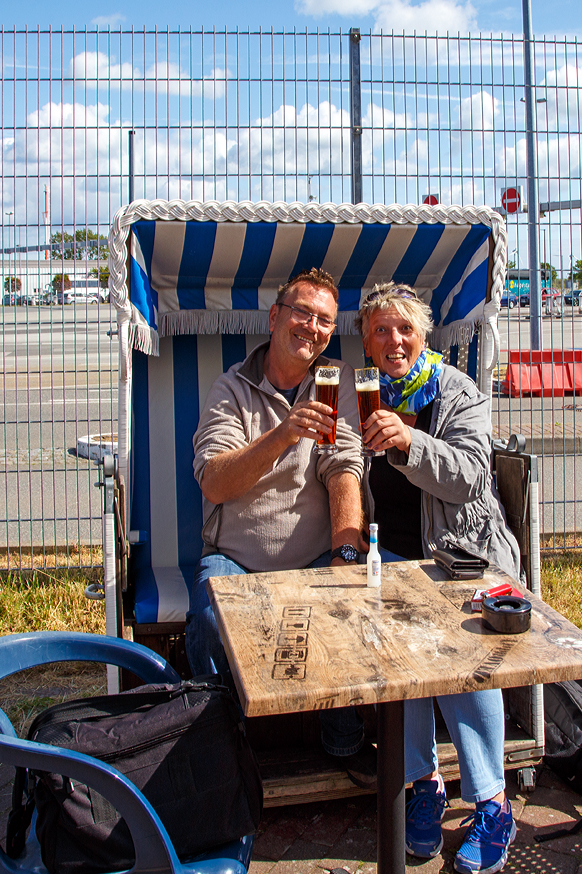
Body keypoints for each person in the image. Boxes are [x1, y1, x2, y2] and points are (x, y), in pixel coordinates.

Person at [356, 282, 522, 874]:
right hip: (392, 560)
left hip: (460, 557)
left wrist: (409, 443)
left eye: (404, 328)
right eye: (381, 329)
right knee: (396, 661)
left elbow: (472, 478)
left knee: (459, 660)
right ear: (368, 343)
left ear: (424, 335)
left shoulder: (457, 392)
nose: (393, 340)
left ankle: (492, 801)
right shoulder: (364, 393)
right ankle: (422, 783)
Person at [188, 267, 376, 785]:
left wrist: (345, 555)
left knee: (347, 598)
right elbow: (214, 482)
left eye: (324, 321)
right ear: (274, 317)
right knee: (207, 620)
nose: (312, 327)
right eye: (302, 313)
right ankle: (220, 746)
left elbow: (344, 473)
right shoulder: (231, 389)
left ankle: (344, 739)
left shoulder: (333, 381)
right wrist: (284, 435)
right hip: (237, 558)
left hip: (313, 554)